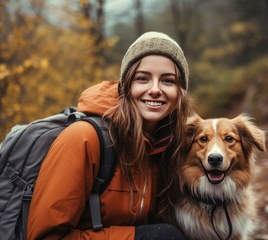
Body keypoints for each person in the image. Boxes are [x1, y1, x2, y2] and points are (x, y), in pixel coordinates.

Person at [27, 31, 190, 239]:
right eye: (142, 78)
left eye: (168, 81)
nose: (155, 89)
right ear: (125, 86)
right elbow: (45, 236)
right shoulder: (84, 138)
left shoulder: (166, 147)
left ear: (180, 92)